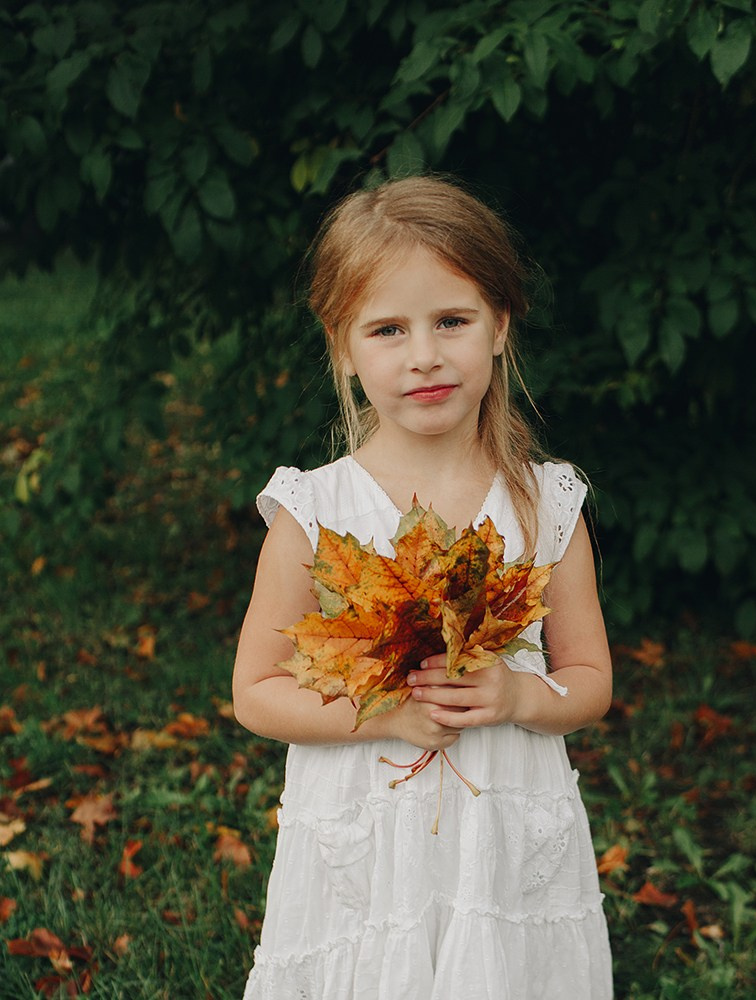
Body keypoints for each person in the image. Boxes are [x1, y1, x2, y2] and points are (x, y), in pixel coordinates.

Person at [233, 176, 614, 999]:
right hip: (368, 847)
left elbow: (589, 681)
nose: (425, 355)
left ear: (500, 325)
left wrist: (518, 697)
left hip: (505, 838)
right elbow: (257, 693)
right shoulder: (316, 513)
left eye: (452, 320)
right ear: (343, 347)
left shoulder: (545, 503)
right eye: (387, 329)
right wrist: (390, 711)